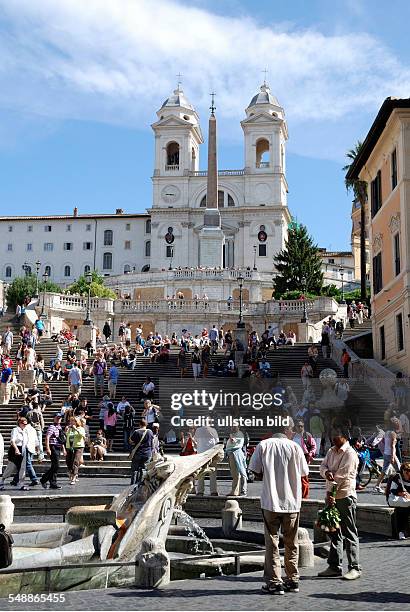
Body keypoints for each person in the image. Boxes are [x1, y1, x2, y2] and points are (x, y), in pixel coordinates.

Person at [249, 425, 309, 594]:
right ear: (286, 431)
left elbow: (255, 471)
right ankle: (293, 579)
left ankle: (275, 582)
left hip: (271, 501)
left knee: (272, 543)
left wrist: (269, 474)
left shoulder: (264, 445)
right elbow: (304, 472)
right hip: (291, 502)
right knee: (292, 542)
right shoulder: (295, 447)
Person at [318, 426, 361, 580]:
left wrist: (331, 494)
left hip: (344, 496)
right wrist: (326, 472)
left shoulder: (350, 453)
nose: (333, 439)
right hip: (331, 495)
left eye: (335, 436)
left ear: (344, 437)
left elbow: (342, 476)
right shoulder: (331, 452)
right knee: (334, 531)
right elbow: (323, 466)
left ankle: (354, 567)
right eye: (331, 436)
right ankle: (334, 566)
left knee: (349, 532)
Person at [0, 418, 32, 491]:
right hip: (15, 450)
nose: (25, 425)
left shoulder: (25, 431)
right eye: (24, 424)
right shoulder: (15, 430)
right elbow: (12, 441)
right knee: (11, 467)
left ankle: (21, 484)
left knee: (22, 468)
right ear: (20, 423)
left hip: (23, 450)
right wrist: (16, 449)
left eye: (26, 424)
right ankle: (2, 481)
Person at [40, 413, 66, 490]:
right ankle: (44, 479)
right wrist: (48, 448)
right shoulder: (52, 427)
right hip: (53, 447)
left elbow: (61, 440)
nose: (59, 419)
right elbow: (47, 438)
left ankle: (53, 483)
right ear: (54, 418)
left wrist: (63, 449)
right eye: (57, 418)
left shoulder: (59, 427)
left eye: (60, 418)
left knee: (54, 466)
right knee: (56, 465)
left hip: (58, 447)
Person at [373, 423, 400, 494]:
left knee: (384, 471)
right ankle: (400, 486)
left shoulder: (387, 432)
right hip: (391, 454)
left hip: (385, 453)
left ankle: (377, 486)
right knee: (400, 470)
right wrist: (393, 456)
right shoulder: (393, 434)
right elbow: (392, 446)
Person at [386, 461, 410, 540]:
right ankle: (401, 531)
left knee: (405, 508)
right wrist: (401, 494)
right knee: (402, 509)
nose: (407, 474)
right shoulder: (397, 477)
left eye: (409, 472)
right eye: (406, 472)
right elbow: (393, 490)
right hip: (396, 499)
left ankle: (403, 531)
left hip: (407, 500)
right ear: (402, 471)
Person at [194, 425, 219, 496]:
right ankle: (210, 491)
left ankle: (203, 491)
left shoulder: (211, 430)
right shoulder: (211, 430)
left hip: (207, 454)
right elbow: (217, 441)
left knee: (205, 473)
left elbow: (196, 440)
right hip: (206, 454)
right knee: (210, 473)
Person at [129, 419, 154, 485]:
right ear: (146, 424)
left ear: (139, 424)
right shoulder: (150, 432)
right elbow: (152, 443)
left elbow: (131, 441)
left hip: (138, 453)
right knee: (144, 470)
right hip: (147, 453)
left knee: (135, 470)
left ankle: (132, 486)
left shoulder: (136, 432)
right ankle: (142, 484)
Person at [226, 426, 247, 497]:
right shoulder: (235, 434)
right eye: (232, 426)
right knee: (235, 473)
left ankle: (242, 491)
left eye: (234, 426)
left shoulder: (239, 434)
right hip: (232, 453)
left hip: (236, 453)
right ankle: (235, 491)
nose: (232, 428)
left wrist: (231, 438)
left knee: (239, 473)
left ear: (238, 427)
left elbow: (235, 443)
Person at [65, 416, 86, 484]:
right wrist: (66, 431)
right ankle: (72, 473)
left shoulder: (81, 428)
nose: (71, 422)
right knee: (69, 461)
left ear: (76, 422)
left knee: (75, 461)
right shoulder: (70, 429)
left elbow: (82, 436)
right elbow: (67, 436)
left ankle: (74, 477)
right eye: (70, 421)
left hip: (78, 446)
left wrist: (76, 429)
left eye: (72, 421)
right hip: (69, 447)